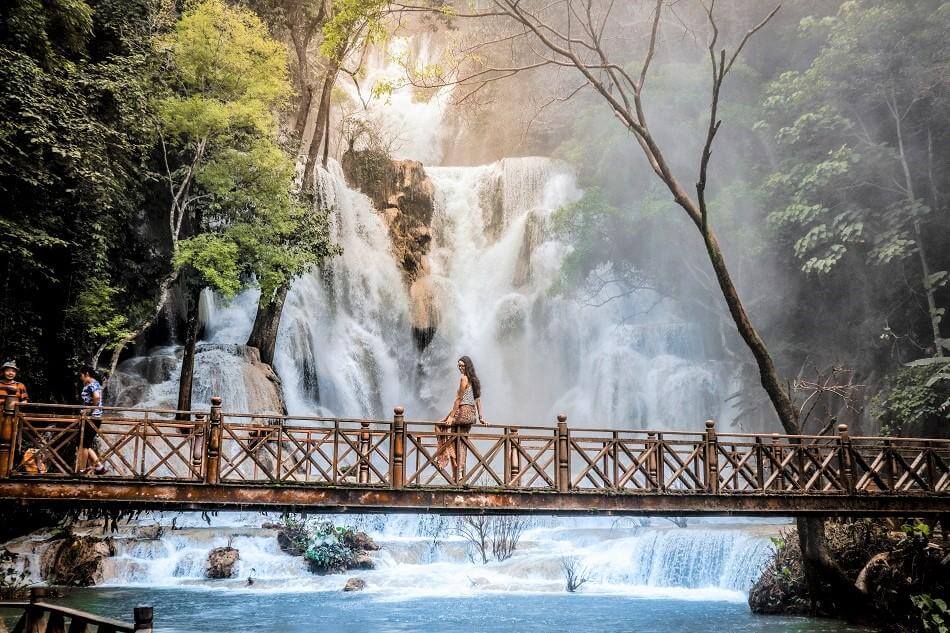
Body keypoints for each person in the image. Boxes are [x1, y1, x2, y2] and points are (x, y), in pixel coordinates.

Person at [436, 355, 487, 482]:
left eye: (462, 365)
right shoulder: (475, 380)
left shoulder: (464, 378)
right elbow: (477, 400)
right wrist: (481, 417)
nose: (460, 368)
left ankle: (443, 457)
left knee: (439, 426)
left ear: (467, 366)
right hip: (471, 415)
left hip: (462, 413)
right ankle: (459, 474)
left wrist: (451, 417)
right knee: (461, 441)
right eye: (459, 365)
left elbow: (459, 399)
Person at [77, 366, 108, 475]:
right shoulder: (93, 384)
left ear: (86, 374)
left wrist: (90, 409)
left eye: (81, 375)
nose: (80, 378)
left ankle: (82, 469)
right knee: (85, 444)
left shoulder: (92, 384)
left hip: (92, 418)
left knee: (84, 445)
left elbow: (96, 397)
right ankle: (100, 467)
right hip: (91, 418)